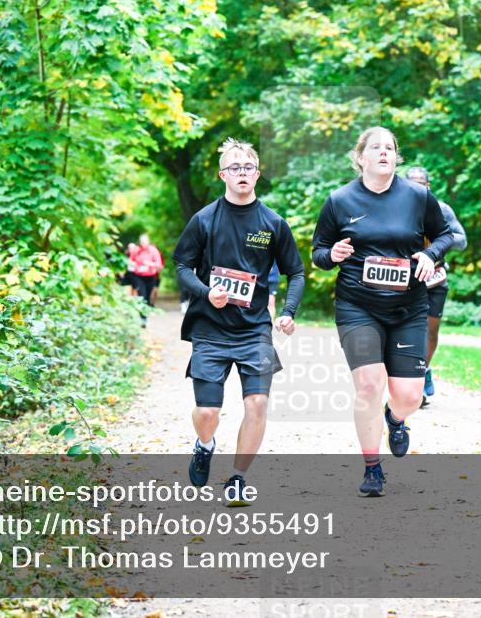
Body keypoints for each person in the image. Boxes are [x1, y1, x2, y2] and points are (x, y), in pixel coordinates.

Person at [312, 127, 456, 496]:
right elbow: (319, 253)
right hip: (357, 305)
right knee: (370, 384)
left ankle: (395, 419)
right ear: (360, 157)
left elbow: (445, 236)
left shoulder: (418, 197)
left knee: (408, 396)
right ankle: (372, 467)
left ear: (396, 157)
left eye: (389, 148)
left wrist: (427, 254)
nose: (383, 153)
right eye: (374, 148)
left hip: (408, 306)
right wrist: (333, 255)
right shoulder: (339, 200)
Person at [173, 138, 304, 505]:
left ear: (258, 174)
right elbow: (182, 266)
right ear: (222, 175)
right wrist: (204, 292)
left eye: (248, 167)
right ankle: (204, 443)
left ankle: (238, 478)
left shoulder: (273, 223)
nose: (241, 173)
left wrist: (288, 311)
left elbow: (296, 272)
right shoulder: (204, 219)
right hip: (210, 329)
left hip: (255, 330)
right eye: (234, 167)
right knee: (207, 412)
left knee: (258, 405)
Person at [406, 167, 468, 407]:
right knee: (410, 330)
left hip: (435, 276)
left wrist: (439, 242)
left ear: (429, 185)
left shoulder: (441, 210)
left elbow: (461, 240)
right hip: (407, 278)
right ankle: (412, 379)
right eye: (413, 183)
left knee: (430, 331)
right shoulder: (397, 209)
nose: (418, 186)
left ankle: (423, 370)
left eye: (422, 182)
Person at [130, 234, 163, 324]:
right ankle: (142, 318)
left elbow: (159, 265)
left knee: (148, 297)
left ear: (148, 241)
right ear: (139, 242)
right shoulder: (136, 250)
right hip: (139, 276)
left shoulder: (153, 250)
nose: (143, 243)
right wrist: (134, 265)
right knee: (142, 296)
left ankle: (145, 316)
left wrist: (149, 264)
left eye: (145, 241)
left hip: (150, 277)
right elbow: (130, 261)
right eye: (141, 242)